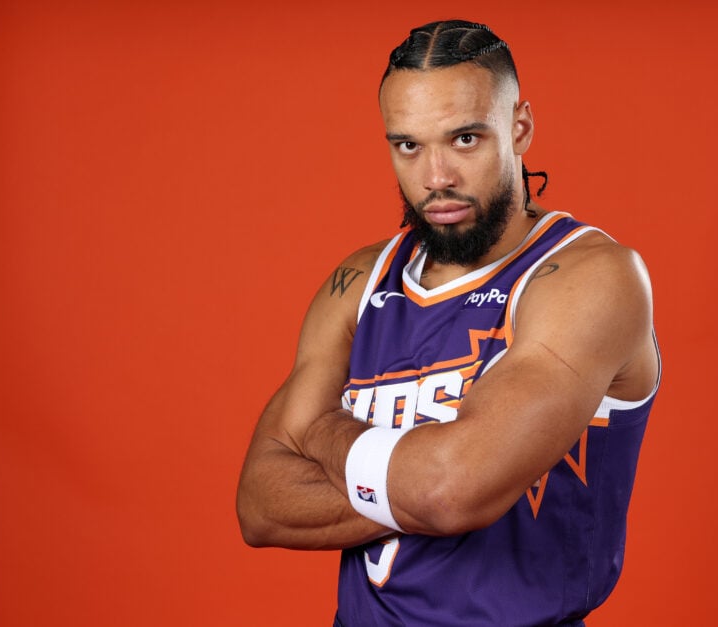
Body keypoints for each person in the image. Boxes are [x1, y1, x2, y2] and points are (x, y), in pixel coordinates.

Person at [237, 19, 660, 626]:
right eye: (409, 145)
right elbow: (260, 505)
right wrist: (429, 477)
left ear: (520, 127)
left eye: (464, 139)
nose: (437, 178)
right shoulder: (359, 282)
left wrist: (325, 433)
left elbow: (451, 491)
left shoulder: (589, 277)